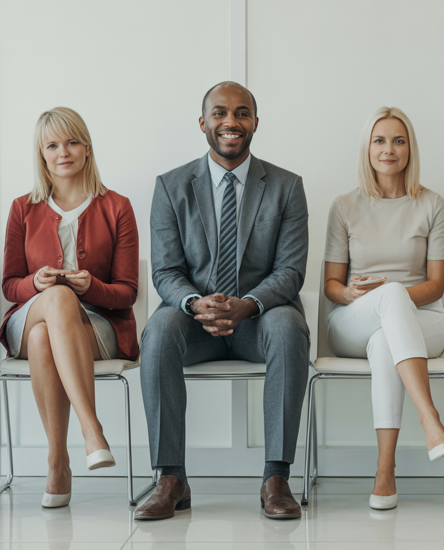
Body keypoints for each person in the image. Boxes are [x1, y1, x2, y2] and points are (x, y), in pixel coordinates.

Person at [135, 81, 310, 521]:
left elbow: (290, 271)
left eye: (241, 113)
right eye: (219, 113)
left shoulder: (287, 186)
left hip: (260, 321)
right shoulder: (171, 186)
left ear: (254, 123)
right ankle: (170, 476)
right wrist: (195, 304)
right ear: (203, 123)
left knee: (290, 328)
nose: (230, 122)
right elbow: (165, 271)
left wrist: (247, 305)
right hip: (197, 323)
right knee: (157, 331)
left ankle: (276, 476)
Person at [0, 107, 140, 509]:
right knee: (55, 301)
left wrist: (91, 286)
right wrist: (36, 284)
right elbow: (10, 285)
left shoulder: (117, 206)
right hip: (28, 318)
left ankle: (57, 461)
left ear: (87, 149)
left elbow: (127, 292)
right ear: (41, 154)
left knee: (49, 333)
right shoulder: (21, 208)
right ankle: (91, 429)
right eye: (53, 144)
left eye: (73, 141)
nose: (64, 151)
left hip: (96, 327)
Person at [323, 106, 444, 511]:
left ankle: (385, 471)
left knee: (387, 338)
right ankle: (429, 418)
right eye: (380, 140)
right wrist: (354, 295)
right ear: (367, 148)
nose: (389, 149)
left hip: (421, 321)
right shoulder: (344, 206)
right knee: (387, 304)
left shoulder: (432, 204)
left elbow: (435, 286)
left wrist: (392, 297)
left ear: (410, 149)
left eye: (398, 140)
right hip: (352, 320)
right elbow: (331, 285)